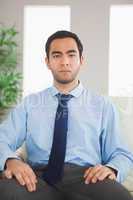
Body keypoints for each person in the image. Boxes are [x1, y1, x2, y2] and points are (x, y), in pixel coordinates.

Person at [0, 30, 133, 200]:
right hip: (37, 178)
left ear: (81, 60)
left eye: (71, 55)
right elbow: (2, 139)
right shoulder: (30, 103)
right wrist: (10, 161)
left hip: (86, 178)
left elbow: (121, 153)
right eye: (57, 56)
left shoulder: (103, 105)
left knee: (118, 196)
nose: (65, 62)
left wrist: (112, 168)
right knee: (5, 191)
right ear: (47, 62)